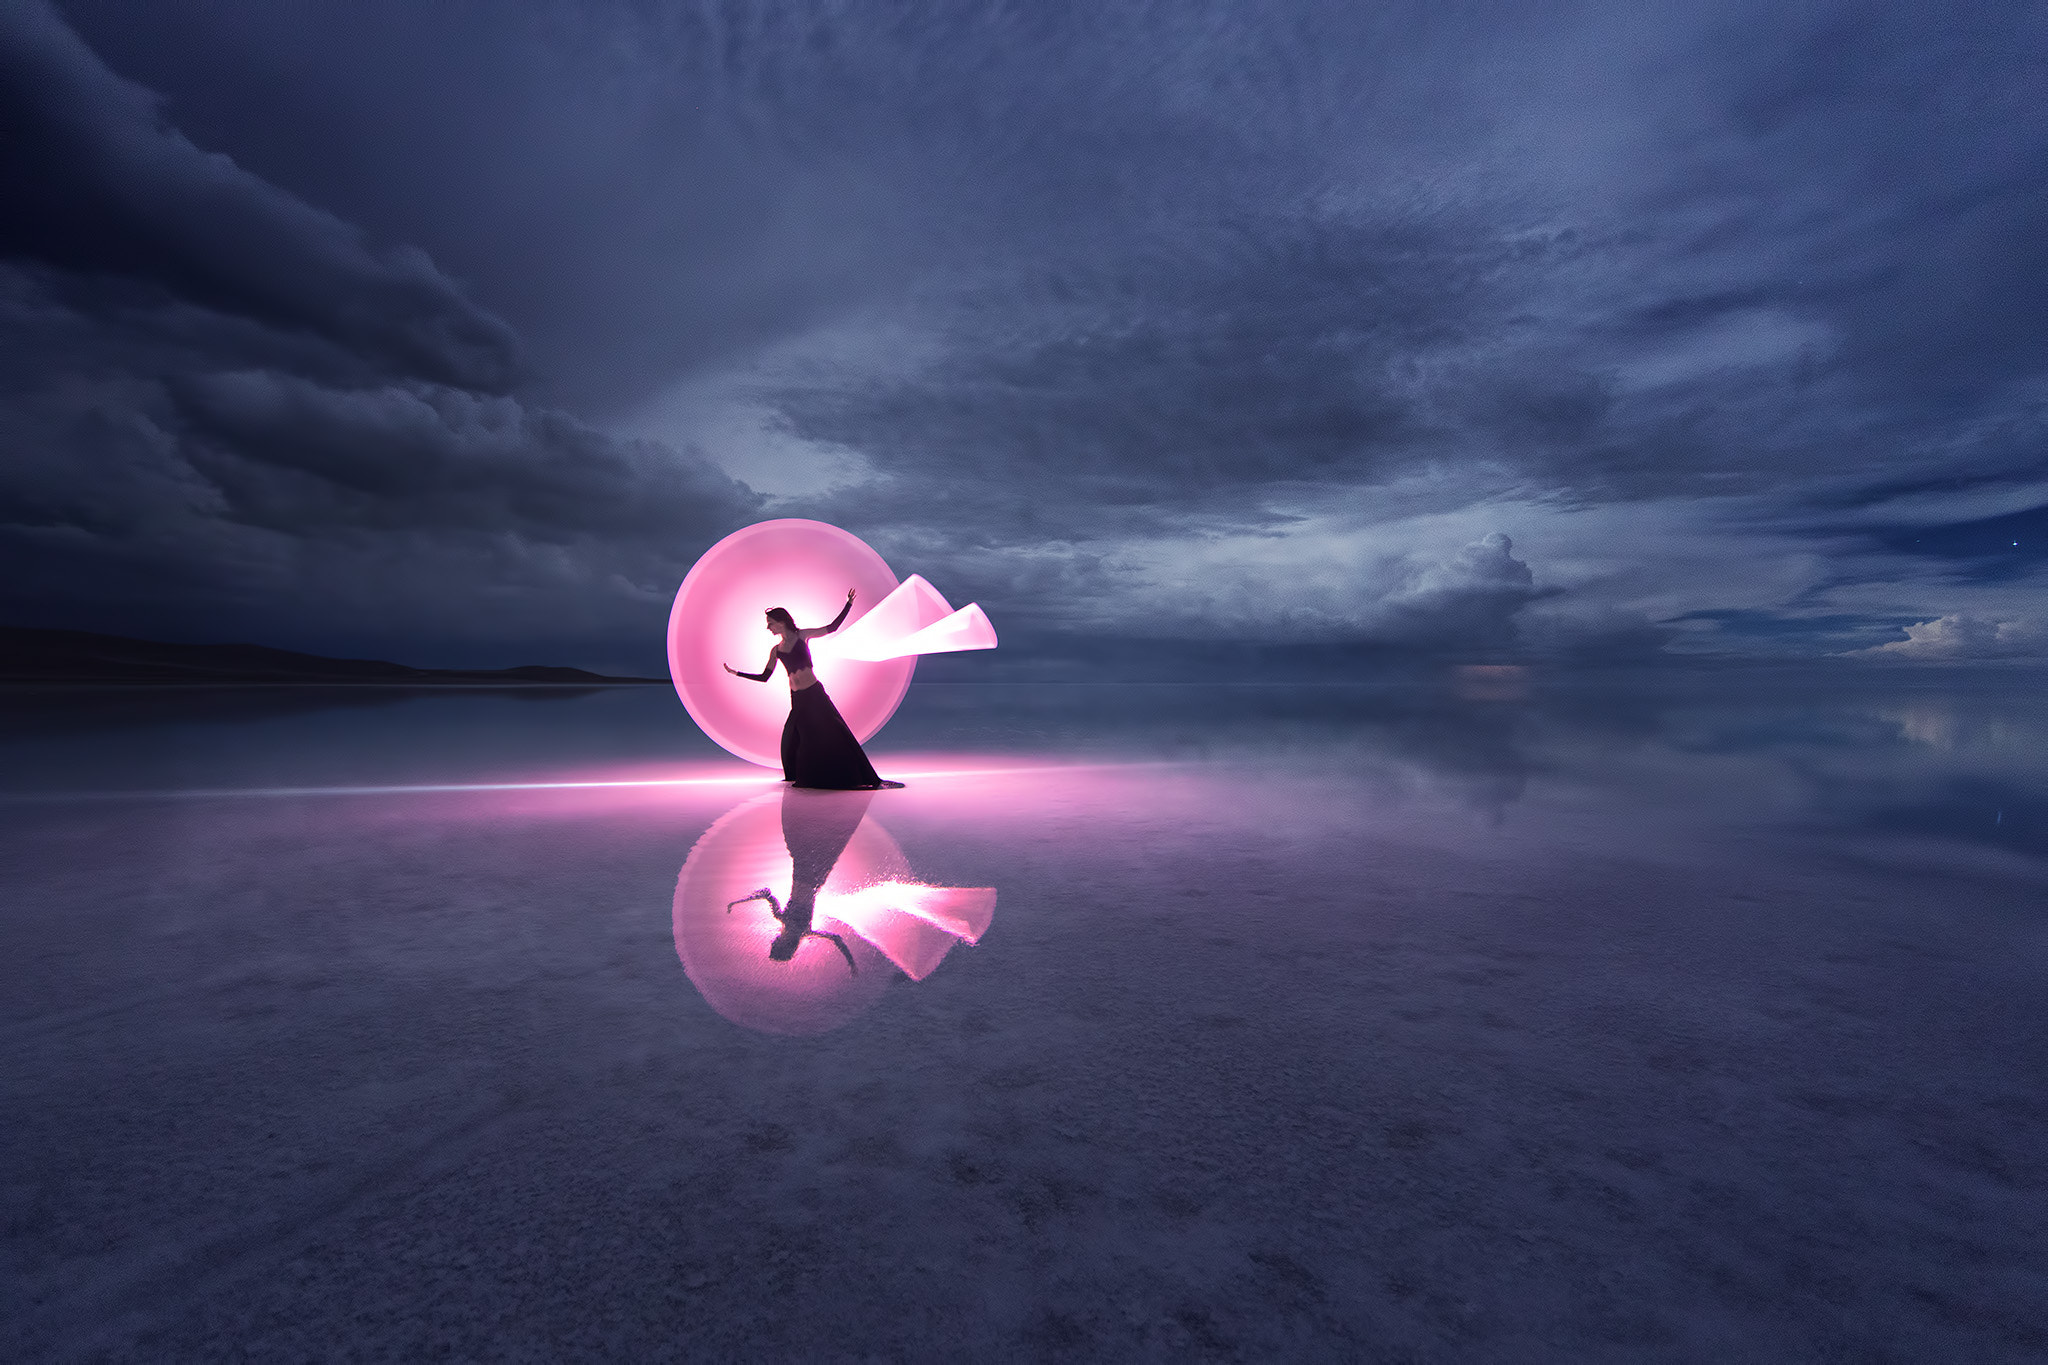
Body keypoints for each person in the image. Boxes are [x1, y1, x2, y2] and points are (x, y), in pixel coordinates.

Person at [724, 590, 896, 789]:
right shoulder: (776, 650)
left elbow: (832, 627)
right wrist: (736, 673)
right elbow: (764, 677)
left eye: (770, 622)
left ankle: (848, 774)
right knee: (796, 736)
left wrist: (848, 605)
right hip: (796, 698)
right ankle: (804, 775)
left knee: (833, 731)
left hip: (814, 694)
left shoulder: (802, 635)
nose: (768, 627)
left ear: (781, 621)